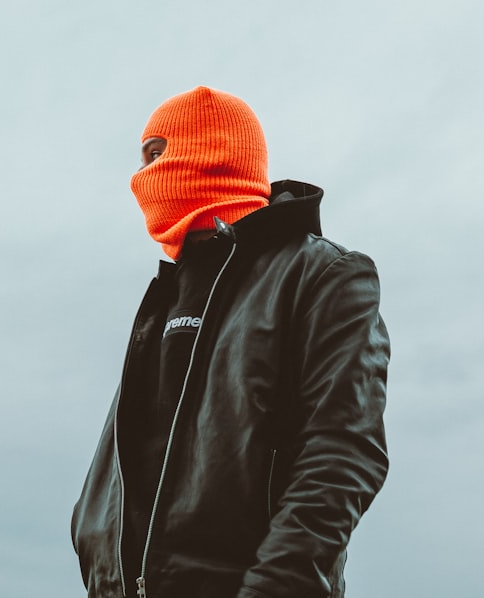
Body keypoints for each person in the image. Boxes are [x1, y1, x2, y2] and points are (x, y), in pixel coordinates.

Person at [71, 86, 390, 598]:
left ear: (211, 152)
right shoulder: (166, 296)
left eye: (156, 155)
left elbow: (344, 453)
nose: (142, 178)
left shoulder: (323, 273)